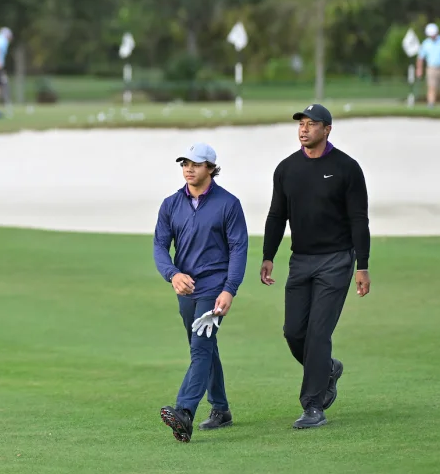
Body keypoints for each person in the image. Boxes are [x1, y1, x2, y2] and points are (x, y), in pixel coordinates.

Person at [260, 104, 371, 430]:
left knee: (319, 333)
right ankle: (329, 369)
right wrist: (268, 255)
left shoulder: (347, 168)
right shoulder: (286, 169)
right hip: (301, 261)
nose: (304, 129)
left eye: (311, 124)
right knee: (294, 332)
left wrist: (362, 265)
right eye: (301, 124)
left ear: (327, 129)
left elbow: (358, 219)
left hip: (337, 260)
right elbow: (276, 215)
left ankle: (313, 406)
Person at [155, 142, 248, 443]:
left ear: (210, 167)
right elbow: (159, 246)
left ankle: (184, 412)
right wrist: (172, 274)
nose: (188, 169)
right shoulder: (171, 204)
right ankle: (221, 410)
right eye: (184, 163)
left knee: (200, 348)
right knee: (205, 350)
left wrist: (229, 289)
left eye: (195, 164)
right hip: (185, 289)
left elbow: (238, 248)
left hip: (214, 288)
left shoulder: (228, 204)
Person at [416, 23, 440, 108]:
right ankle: (431, 104)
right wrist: (419, 69)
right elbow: (420, 58)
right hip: (431, 68)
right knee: (431, 87)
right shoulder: (426, 43)